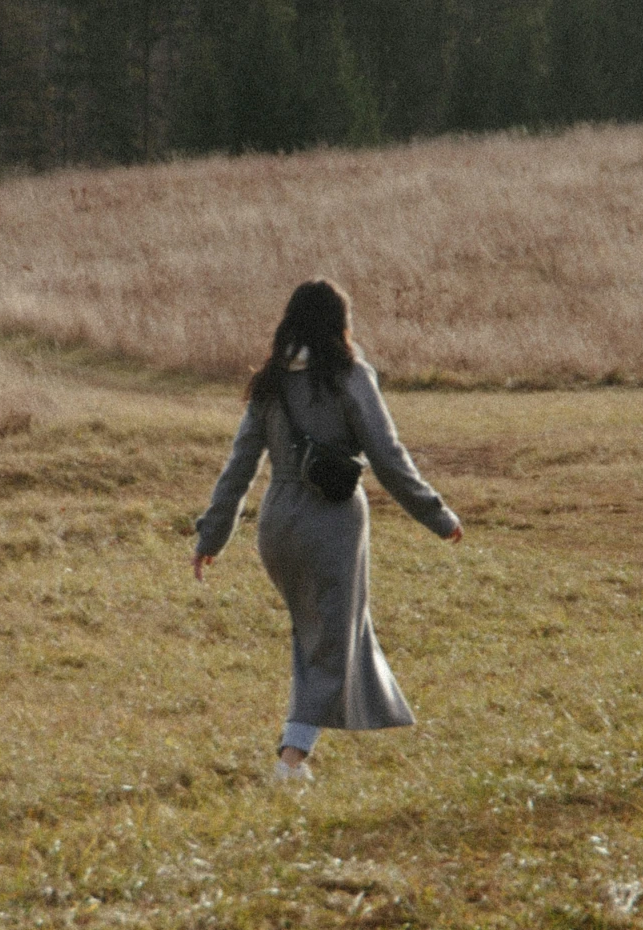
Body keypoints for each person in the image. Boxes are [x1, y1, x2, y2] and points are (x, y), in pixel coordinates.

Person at [193, 279, 463, 783]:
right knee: (332, 643)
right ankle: (291, 760)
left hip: (277, 524)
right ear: (340, 323)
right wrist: (437, 514)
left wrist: (211, 537)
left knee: (316, 635)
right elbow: (388, 457)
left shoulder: (270, 381)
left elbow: (240, 464)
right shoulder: (350, 376)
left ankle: (309, 747)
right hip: (332, 523)